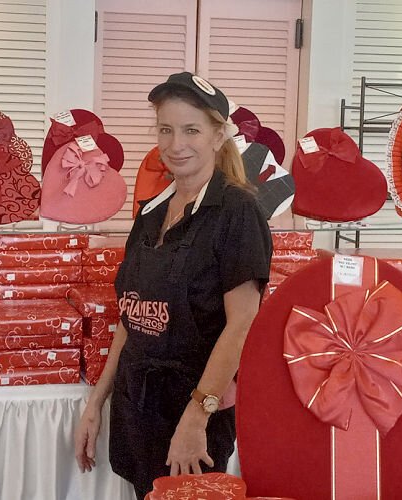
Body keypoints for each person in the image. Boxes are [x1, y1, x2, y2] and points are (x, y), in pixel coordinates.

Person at [74, 72, 273, 499]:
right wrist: (97, 403)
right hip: (136, 403)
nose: (175, 144)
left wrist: (197, 417)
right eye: (166, 129)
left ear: (219, 135)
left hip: (193, 409)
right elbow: (131, 317)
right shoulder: (151, 213)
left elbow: (242, 325)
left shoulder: (237, 212)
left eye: (191, 130)